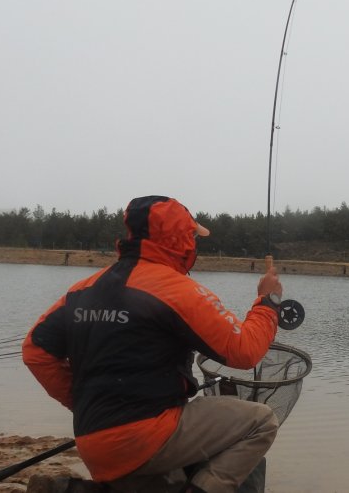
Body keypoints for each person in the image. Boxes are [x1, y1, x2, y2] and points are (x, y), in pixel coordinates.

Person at [23, 195, 284, 493]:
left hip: (92, 440)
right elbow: (245, 351)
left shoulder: (84, 289)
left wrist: (82, 402)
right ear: (183, 240)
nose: (194, 244)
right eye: (192, 237)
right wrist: (268, 302)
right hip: (147, 438)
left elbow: (35, 351)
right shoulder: (176, 290)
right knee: (260, 422)